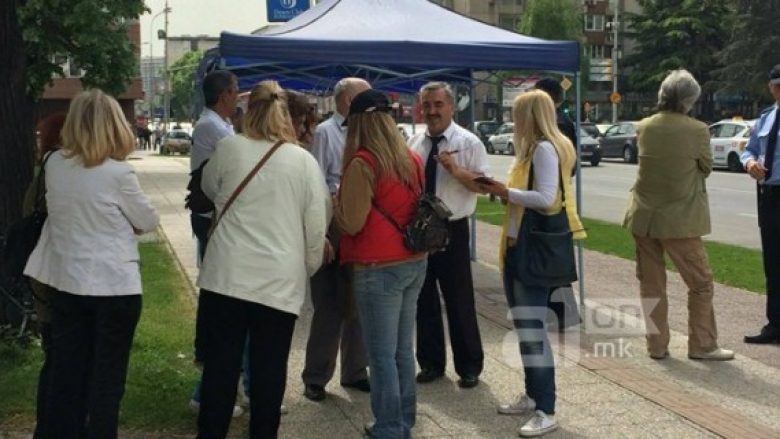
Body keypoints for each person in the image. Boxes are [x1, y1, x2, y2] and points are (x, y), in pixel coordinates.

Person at [196, 80, 329, 438]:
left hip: (226, 276)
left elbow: (209, 188)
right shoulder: (302, 161)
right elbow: (317, 225)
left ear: (247, 111)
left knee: (220, 370)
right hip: (278, 281)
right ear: (286, 115)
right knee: (270, 372)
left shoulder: (228, 147)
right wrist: (309, 266)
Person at [23, 89, 159, 438]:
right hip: (115, 287)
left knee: (69, 374)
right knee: (107, 381)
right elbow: (147, 219)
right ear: (114, 125)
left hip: (68, 283)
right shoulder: (118, 173)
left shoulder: (54, 164)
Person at [476, 89, 585, 437]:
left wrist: (504, 191)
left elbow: (546, 198)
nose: (511, 119)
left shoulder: (543, 149)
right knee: (526, 329)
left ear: (530, 116)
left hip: (530, 248)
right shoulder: (544, 147)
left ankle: (545, 408)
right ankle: (533, 395)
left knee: (532, 332)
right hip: (521, 246)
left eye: (516, 113)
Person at [623, 69, 734, 361]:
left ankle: (656, 345)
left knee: (651, 284)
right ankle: (702, 344)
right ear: (690, 99)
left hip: (644, 215)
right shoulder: (697, 130)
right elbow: (706, 167)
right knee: (700, 283)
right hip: (680, 218)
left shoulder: (644, 126)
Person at [336, 89, 427, 439]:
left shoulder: (364, 162)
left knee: (381, 355)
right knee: (403, 350)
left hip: (378, 267)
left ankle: (389, 426)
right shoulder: (409, 159)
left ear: (359, 123)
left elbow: (353, 222)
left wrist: (334, 208)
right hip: (413, 260)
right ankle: (405, 418)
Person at [409, 81, 486, 388]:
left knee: (458, 299)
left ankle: (469, 366)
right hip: (421, 228)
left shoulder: (468, 143)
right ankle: (430, 363)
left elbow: (482, 185)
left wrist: (455, 170)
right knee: (422, 298)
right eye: (426, 105)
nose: (432, 111)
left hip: (452, 228)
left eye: (438, 105)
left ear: (452, 107)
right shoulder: (414, 143)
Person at [302, 77, 371, 402]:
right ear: (345, 100)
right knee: (329, 304)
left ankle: (356, 371)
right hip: (333, 223)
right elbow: (315, 182)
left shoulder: (370, 131)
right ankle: (316, 376)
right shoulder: (326, 133)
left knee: (358, 302)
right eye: (363, 97)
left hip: (362, 225)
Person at [188, 70, 244, 416]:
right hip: (212, 220)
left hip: (216, 218)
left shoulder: (219, 125)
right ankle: (207, 392)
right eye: (236, 91)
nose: (238, 97)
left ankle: (221, 387)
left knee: (225, 305)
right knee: (221, 304)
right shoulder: (212, 127)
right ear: (224, 95)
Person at [24, 112, 66, 439]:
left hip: (43, 273)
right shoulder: (57, 169)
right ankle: (52, 427)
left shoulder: (45, 168)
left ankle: (47, 426)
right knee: (58, 359)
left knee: (53, 356)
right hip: (54, 273)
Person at [741, 64, 780, 344]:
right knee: (772, 262)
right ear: (770, 87)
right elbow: (750, 149)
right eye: (776, 85)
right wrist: (750, 163)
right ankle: (775, 324)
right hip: (768, 195)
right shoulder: (766, 117)